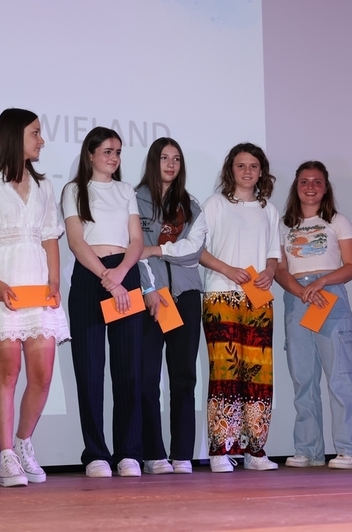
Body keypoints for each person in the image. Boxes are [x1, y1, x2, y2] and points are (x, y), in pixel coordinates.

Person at [0, 108, 70, 487]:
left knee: (42, 376)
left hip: (39, 288)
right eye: (35, 133)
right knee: (7, 373)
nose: (41, 140)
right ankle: (6, 455)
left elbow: (50, 236)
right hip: (3, 286)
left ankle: (24, 442)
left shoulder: (44, 186)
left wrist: (54, 280)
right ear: (14, 135)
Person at [274, 161, 352, 470]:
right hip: (297, 298)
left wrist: (321, 282)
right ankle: (309, 450)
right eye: (304, 181)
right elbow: (280, 270)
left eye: (317, 181)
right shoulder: (283, 225)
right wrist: (301, 290)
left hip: (330, 296)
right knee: (304, 380)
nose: (310, 187)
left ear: (325, 188)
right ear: (296, 187)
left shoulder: (338, 221)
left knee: (340, 378)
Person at [62, 126, 144, 478]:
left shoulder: (126, 191)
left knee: (129, 369)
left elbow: (136, 240)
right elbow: (76, 241)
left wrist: (121, 272)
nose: (114, 158)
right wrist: (105, 276)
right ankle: (96, 453)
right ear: (91, 154)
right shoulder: (74, 190)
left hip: (125, 276)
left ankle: (128, 452)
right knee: (90, 371)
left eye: (118, 152)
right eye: (108, 151)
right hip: (90, 277)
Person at [199, 143, 281, 472]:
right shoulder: (215, 204)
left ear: (262, 172)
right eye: (241, 165)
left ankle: (254, 450)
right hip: (221, 295)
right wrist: (227, 269)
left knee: (259, 375)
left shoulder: (269, 210)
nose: (247, 171)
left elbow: (273, 254)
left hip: (257, 299)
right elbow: (197, 249)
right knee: (225, 372)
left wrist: (270, 272)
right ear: (230, 170)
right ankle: (220, 449)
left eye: (253, 166)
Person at [136, 138, 203, 475]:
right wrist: (149, 287)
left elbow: (194, 250)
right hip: (152, 297)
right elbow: (135, 250)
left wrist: (159, 250)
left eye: (176, 159)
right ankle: (153, 453)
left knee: (184, 378)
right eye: (164, 158)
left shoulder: (191, 205)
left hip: (186, 296)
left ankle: (182, 454)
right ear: (154, 161)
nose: (171, 164)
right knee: (148, 378)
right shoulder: (134, 200)